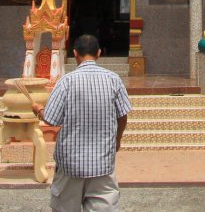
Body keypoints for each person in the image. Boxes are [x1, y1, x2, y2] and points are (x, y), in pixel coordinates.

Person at [32, 33, 131, 212]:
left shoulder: (65, 82)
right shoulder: (113, 80)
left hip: (70, 164)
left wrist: (38, 109)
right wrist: (118, 139)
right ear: (99, 53)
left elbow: (51, 118)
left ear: (75, 53)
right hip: (103, 163)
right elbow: (123, 115)